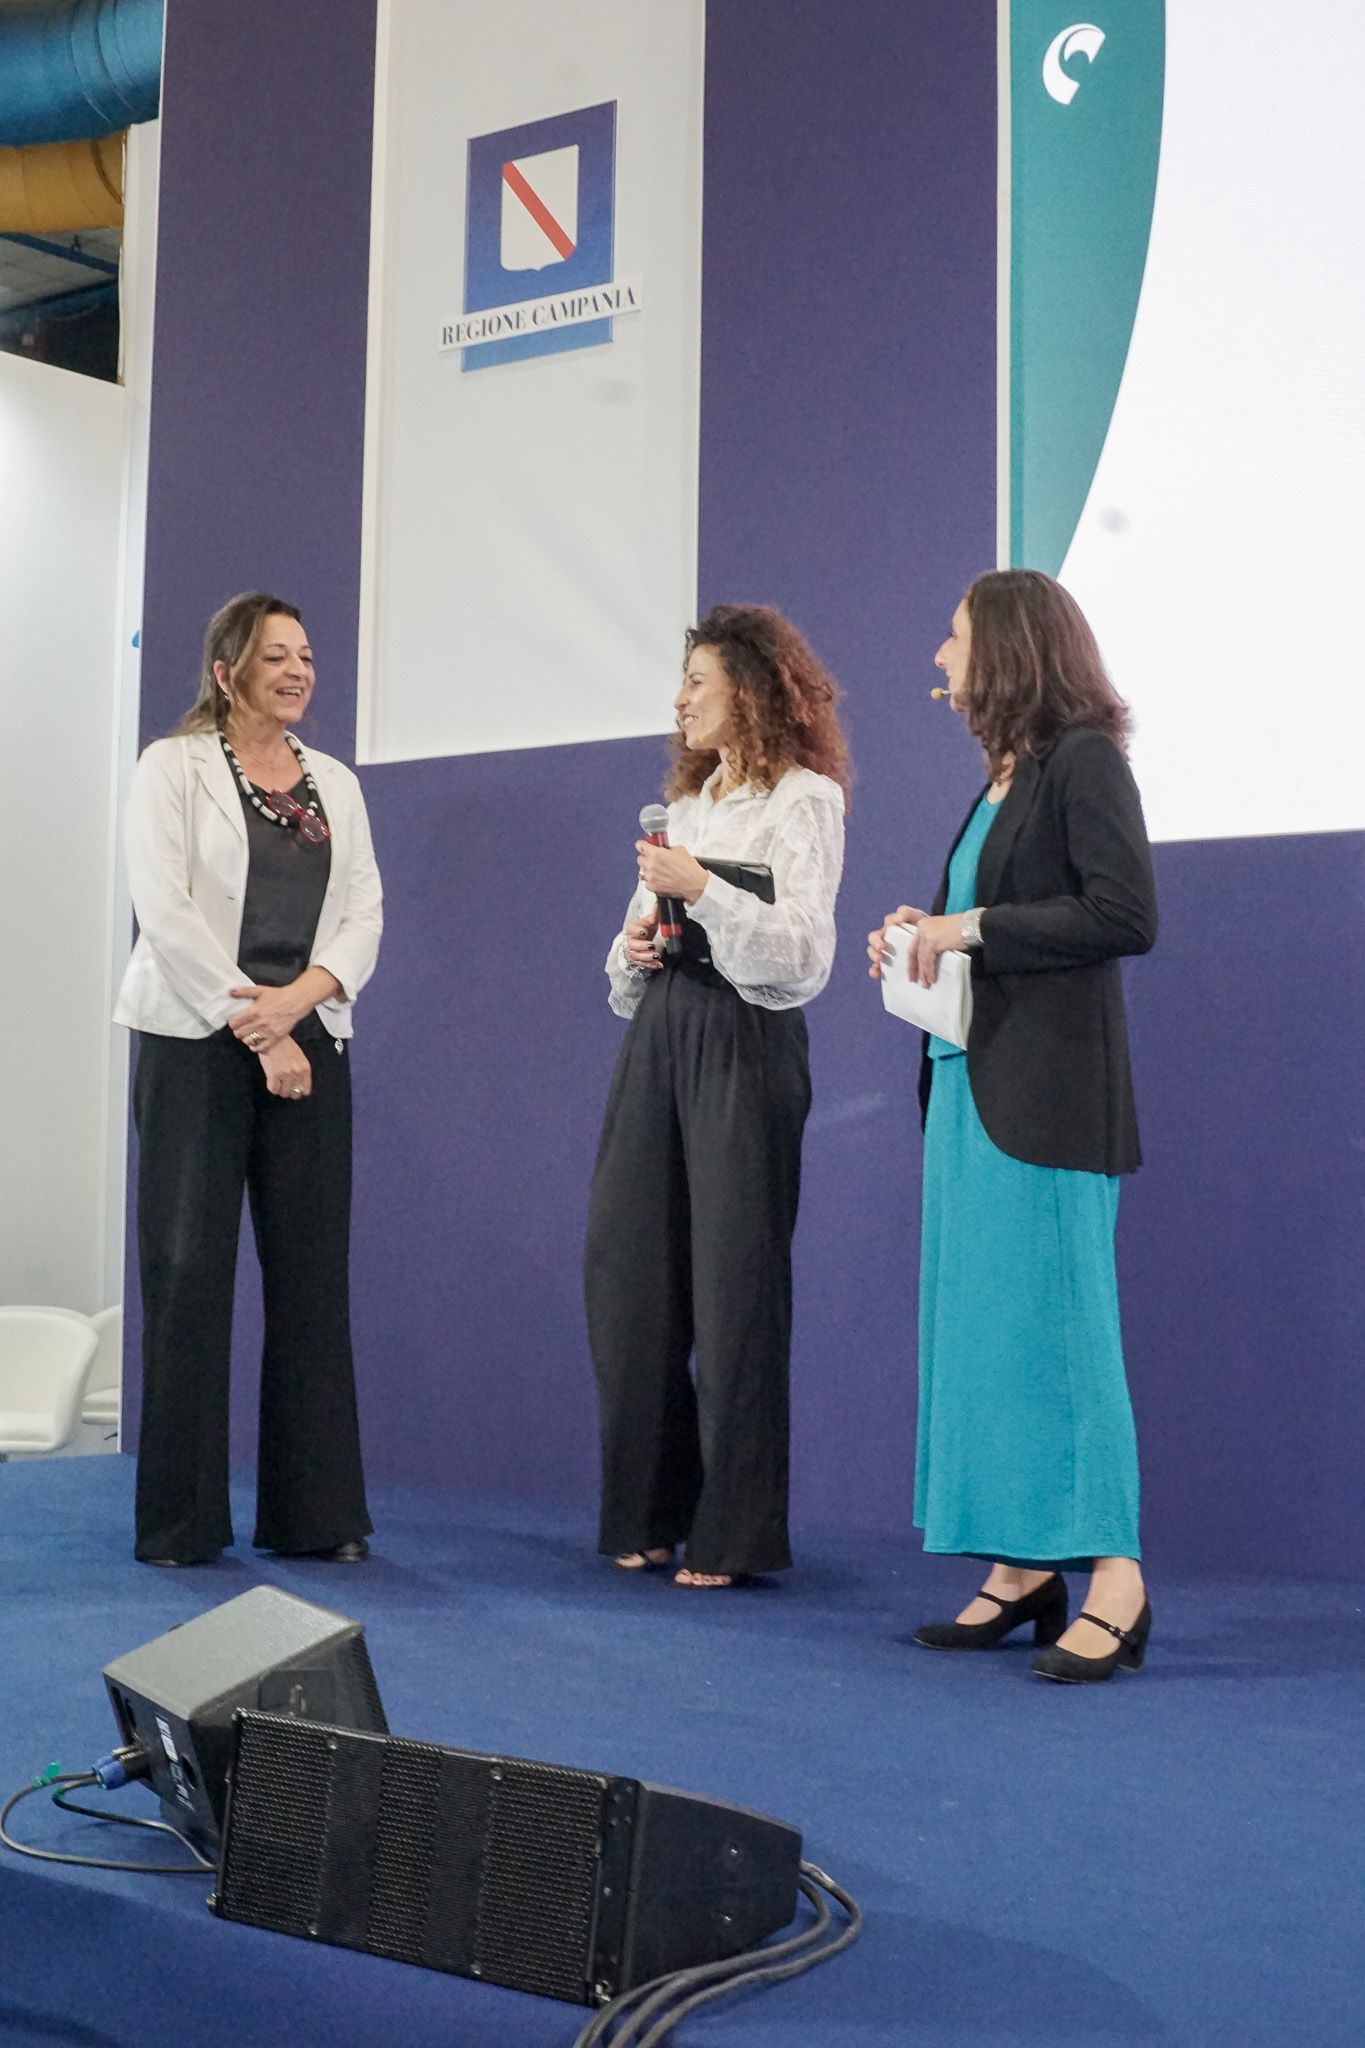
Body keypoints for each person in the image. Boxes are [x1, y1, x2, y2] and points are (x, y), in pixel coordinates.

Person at [869, 568, 1157, 1681]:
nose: (939, 658)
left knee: (1066, 1343)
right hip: (972, 1090)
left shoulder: (1084, 759)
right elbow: (984, 926)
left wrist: (970, 924)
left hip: (1048, 1102)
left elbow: (1123, 911)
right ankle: (1024, 1567)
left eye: (953, 637)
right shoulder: (1004, 778)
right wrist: (922, 933)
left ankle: (1118, 1582)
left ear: (1008, 649)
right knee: (988, 1341)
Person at [115, 591, 382, 1567]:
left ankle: (316, 1516)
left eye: (305, 655)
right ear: (227, 671)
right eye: (276, 656)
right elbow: (165, 910)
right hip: (196, 1041)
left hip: (311, 1038)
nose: (298, 670)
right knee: (188, 1274)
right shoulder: (171, 767)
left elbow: (363, 913)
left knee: (312, 1280)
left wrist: (298, 1003)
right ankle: (181, 1523)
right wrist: (258, 1025)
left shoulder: (335, 783)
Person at [585, 604, 849, 1588]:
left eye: (696, 681)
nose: (680, 700)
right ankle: (648, 1510)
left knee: (735, 1287)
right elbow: (626, 960)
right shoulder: (688, 807)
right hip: (663, 1029)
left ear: (749, 688)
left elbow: (802, 952)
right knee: (630, 1273)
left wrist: (702, 889)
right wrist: (637, 944)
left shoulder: (805, 800)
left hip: (746, 1038)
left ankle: (733, 1532)